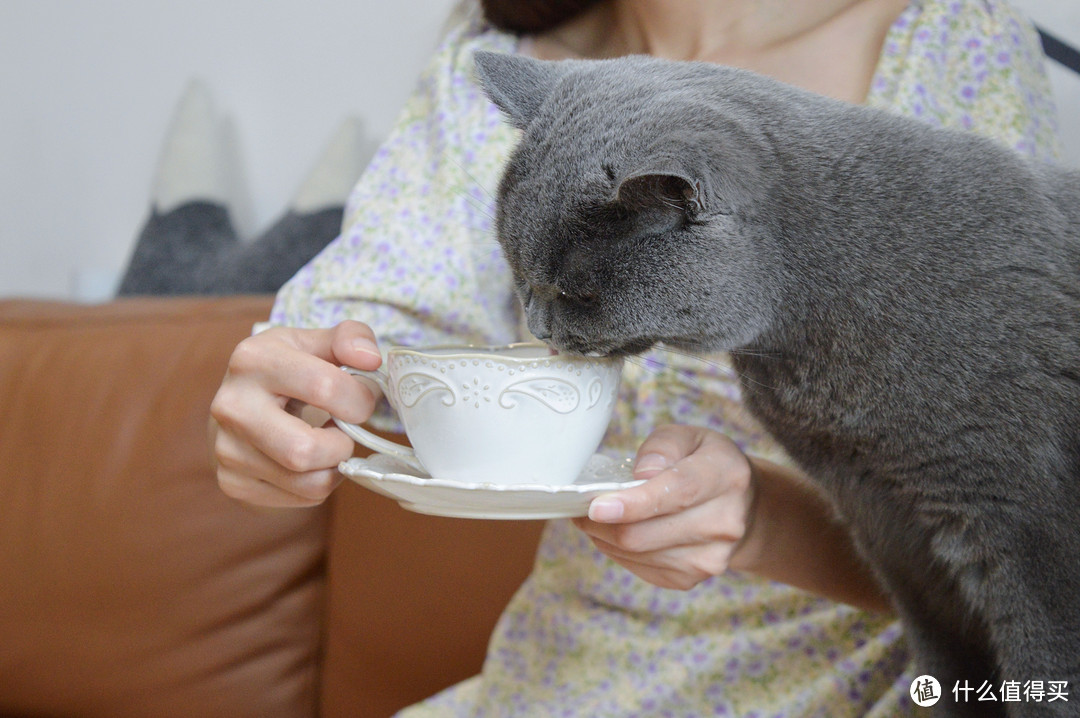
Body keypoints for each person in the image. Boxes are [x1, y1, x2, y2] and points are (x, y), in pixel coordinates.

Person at [210, 0, 1062, 714]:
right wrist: (295, 391)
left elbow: (1020, 544)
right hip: (571, 675)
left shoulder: (947, 40)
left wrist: (758, 518)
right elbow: (374, 318)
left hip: (857, 680)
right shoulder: (501, 71)